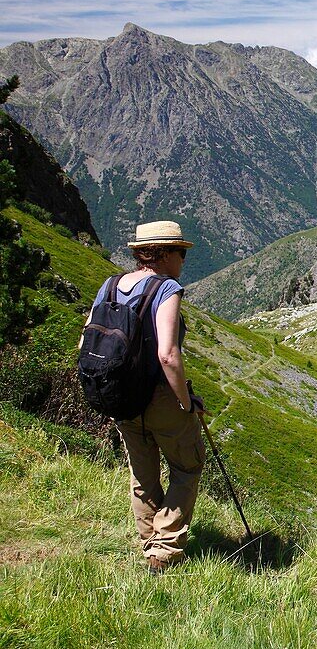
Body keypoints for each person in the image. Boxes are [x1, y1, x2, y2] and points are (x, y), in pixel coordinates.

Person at [84, 220, 206, 573]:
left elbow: (85, 341)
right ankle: (165, 548)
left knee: (143, 473)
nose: (182, 259)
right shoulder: (166, 289)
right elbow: (168, 354)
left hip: (119, 396)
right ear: (164, 254)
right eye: (180, 252)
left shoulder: (109, 286)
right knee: (187, 464)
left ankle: (148, 543)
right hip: (158, 397)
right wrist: (185, 402)